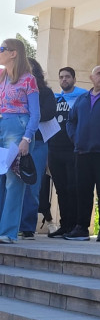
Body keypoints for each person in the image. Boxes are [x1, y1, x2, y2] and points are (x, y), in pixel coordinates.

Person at [65, 66, 100, 242]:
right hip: (82, 152)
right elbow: (70, 122)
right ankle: (81, 228)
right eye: (99, 74)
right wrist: (75, 138)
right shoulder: (81, 99)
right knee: (83, 191)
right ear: (91, 77)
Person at [0, 39, 40, 243]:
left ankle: (8, 232)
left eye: (2, 49)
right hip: (1, 125)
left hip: (18, 127)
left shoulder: (28, 80)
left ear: (14, 53)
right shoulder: (1, 76)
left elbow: (36, 114)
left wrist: (27, 138)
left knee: (14, 181)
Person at [19, 58, 57, 240]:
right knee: (12, 184)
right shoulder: (13, 88)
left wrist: (29, 115)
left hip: (39, 141)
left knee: (33, 186)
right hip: (15, 140)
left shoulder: (46, 92)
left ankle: (27, 227)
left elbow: (49, 112)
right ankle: (10, 224)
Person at [48, 67, 86, 238]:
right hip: (54, 149)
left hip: (73, 149)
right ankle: (64, 225)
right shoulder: (55, 99)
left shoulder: (82, 97)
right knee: (61, 189)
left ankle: (75, 225)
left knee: (73, 187)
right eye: (61, 77)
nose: (64, 80)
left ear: (74, 79)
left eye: (67, 77)